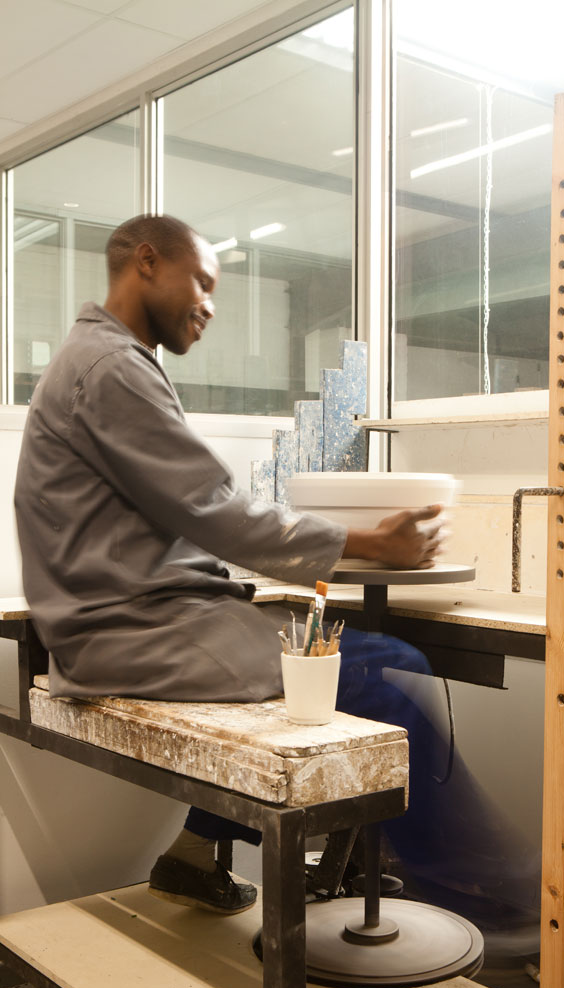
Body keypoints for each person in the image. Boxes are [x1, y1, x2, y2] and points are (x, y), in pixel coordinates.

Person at [14, 213, 466, 917]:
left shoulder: (104, 361)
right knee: (386, 671)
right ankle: (481, 894)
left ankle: (196, 854)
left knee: (344, 651)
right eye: (201, 280)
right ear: (146, 263)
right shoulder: (111, 369)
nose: (210, 304)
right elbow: (216, 510)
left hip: (130, 620)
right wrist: (374, 542)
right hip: (131, 633)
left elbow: (188, 513)